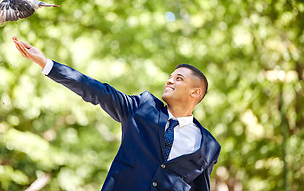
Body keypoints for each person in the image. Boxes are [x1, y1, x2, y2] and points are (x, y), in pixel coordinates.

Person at [12, 37, 221, 191]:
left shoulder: (209, 146)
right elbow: (98, 91)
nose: (169, 81)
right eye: (170, 77)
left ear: (196, 92)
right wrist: (47, 64)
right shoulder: (142, 107)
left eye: (179, 79)